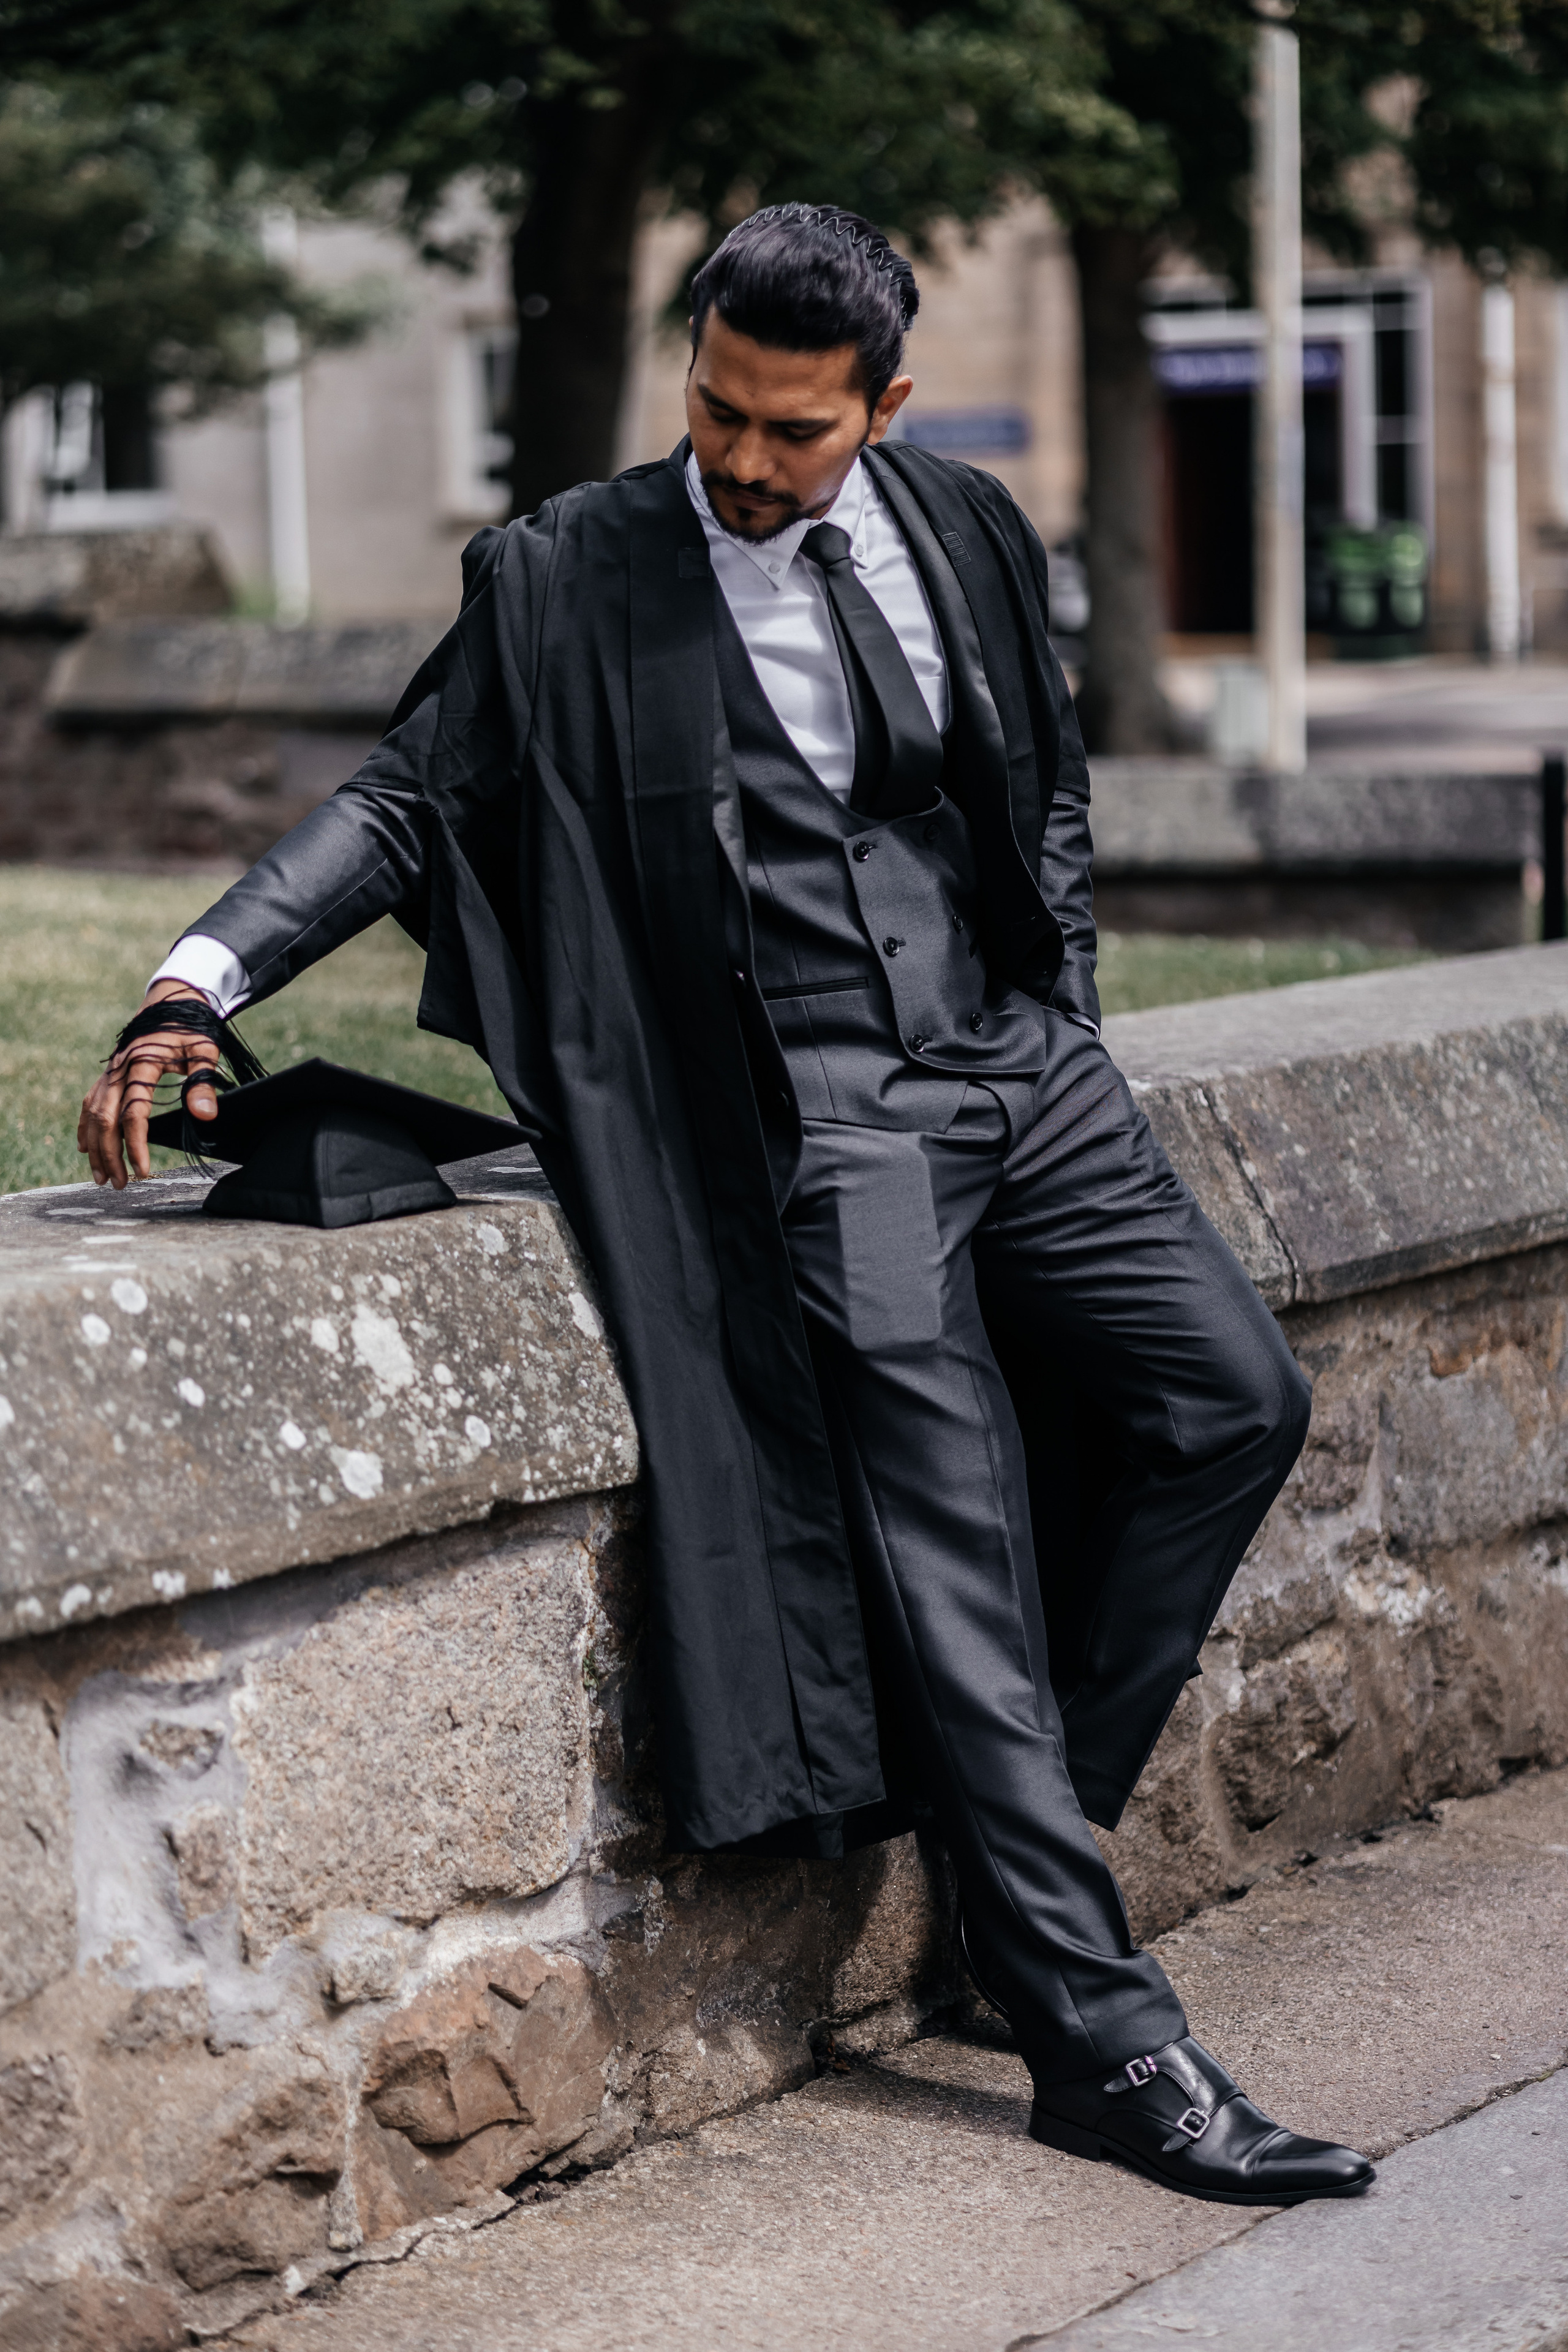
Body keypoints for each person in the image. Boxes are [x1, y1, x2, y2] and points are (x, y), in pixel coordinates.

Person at [80, 203, 1371, 2206]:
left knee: (1234, 1404)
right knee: (952, 1573)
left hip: (1020, 1073)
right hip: (825, 1116)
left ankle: (1027, 1885)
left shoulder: (963, 529)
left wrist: (1074, 1018)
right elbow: (410, 796)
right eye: (719, 413)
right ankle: (1101, 2043)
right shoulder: (571, 574)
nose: (745, 465)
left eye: (794, 432)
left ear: (887, 407)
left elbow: (1031, 786)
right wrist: (197, 979)